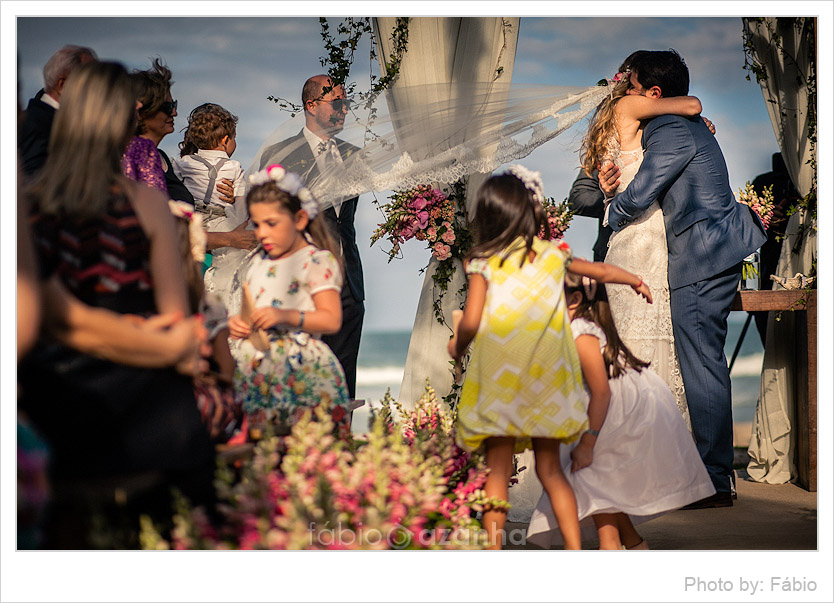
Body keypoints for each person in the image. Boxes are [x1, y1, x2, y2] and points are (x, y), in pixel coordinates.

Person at [18, 61, 216, 546]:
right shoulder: (144, 203)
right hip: (145, 380)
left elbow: (45, 320)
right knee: (189, 465)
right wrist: (171, 350)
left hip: (58, 386)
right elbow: (173, 315)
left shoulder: (28, 202)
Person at [447, 165, 652, 550]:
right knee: (551, 471)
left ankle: (492, 554)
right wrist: (635, 279)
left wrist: (457, 346)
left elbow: (471, 321)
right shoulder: (551, 256)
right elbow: (601, 271)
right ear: (530, 212)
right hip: (547, 380)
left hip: (500, 381)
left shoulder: (482, 262)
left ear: (489, 215)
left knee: (496, 474)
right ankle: (574, 554)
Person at [600, 50, 767, 508]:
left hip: (703, 254)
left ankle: (715, 480)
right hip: (710, 250)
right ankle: (706, 473)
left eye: (629, 85)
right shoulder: (684, 124)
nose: (623, 93)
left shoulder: (671, 128)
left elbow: (644, 188)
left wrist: (614, 210)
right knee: (701, 359)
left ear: (653, 93)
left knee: (702, 363)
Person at [526, 273, 714, 550]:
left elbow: (602, 392)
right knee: (600, 486)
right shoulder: (577, 328)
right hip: (617, 407)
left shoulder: (580, 332)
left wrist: (588, 442)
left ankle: (610, 546)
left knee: (590, 476)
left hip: (621, 412)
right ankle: (633, 544)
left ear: (575, 299)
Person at [581, 55, 704, 427]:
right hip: (646, 235)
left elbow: (611, 185)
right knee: (650, 328)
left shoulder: (612, 118)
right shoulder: (630, 104)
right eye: (632, 80)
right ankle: (653, 434)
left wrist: (606, 188)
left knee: (628, 331)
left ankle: (621, 430)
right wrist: (697, 122)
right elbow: (692, 104)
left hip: (622, 238)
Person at [256, 74, 364, 400]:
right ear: (311, 105)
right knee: (303, 380)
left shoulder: (354, 154)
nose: (344, 109)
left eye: (346, 103)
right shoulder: (281, 153)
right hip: (300, 281)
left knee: (344, 382)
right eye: (337, 103)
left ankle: (340, 447)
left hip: (348, 279)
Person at [227, 164, 353, 439]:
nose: (261, 233)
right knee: (264, 453)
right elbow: (254, 310)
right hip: (259, 372)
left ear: (298, 219)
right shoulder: (257, 261)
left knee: (306, 451)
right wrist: (240, 324)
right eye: (256, 224)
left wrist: (285, 316)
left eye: (271, 223)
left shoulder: (316, 260)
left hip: (303, 373)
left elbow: (331, 319)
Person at [130, 60, 257, 256]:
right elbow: (154, 230)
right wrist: (229, 238)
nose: (175, 112)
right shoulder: (133, 157)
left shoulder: (162, 158)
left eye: (174, 104)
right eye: (167, 106)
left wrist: (229, 201)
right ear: (142, 111)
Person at [174, 103, 249, 305]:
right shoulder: (234, 167)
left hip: (193, 221)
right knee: (233, 262)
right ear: (226, 140)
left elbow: (176, 188)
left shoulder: (184, 162)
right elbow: (241, 208)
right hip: (220, 222)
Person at [19, 44, 97, 178]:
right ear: (62, 85)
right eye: (92, 81)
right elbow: (34, 184)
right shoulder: (37, 125)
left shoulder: (48, 122)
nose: (99, 90)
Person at [749, 152, 800, 344]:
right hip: (770, 271)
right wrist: (764, 218)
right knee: (774, 343)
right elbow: (748, 239)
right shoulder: (765, 183)